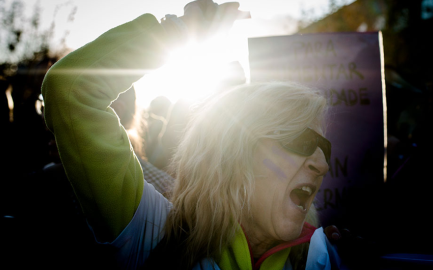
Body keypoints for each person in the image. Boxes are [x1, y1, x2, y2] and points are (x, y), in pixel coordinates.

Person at [41, 0, 346, 269]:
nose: (322, 165)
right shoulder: (154, 231)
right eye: (303, 142)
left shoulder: (321, 259)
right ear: (236, 150)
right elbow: (71, 91)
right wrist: (179, 33)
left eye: (324, 149)